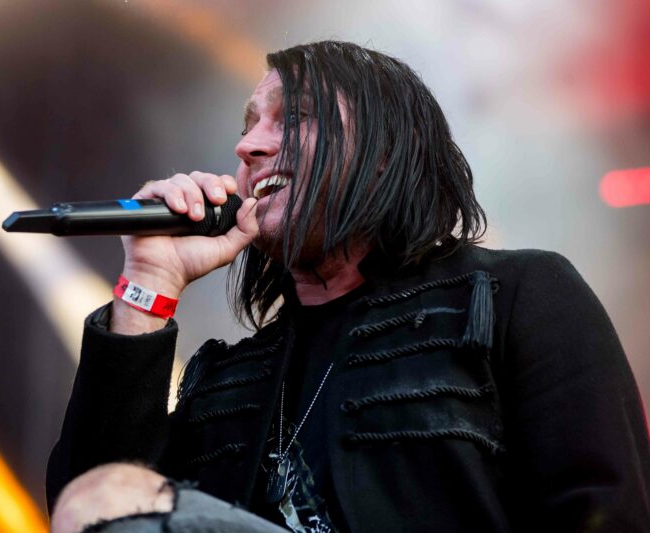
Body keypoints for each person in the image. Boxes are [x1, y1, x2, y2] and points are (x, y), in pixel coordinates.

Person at [46, 41, 650, 532]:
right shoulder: (229, 377)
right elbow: (93, 509)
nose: (247, 145)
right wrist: (150, 281)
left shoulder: (515, 295)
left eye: (295, 118)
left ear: (385, 152)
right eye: (249, 125)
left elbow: (606, 512)